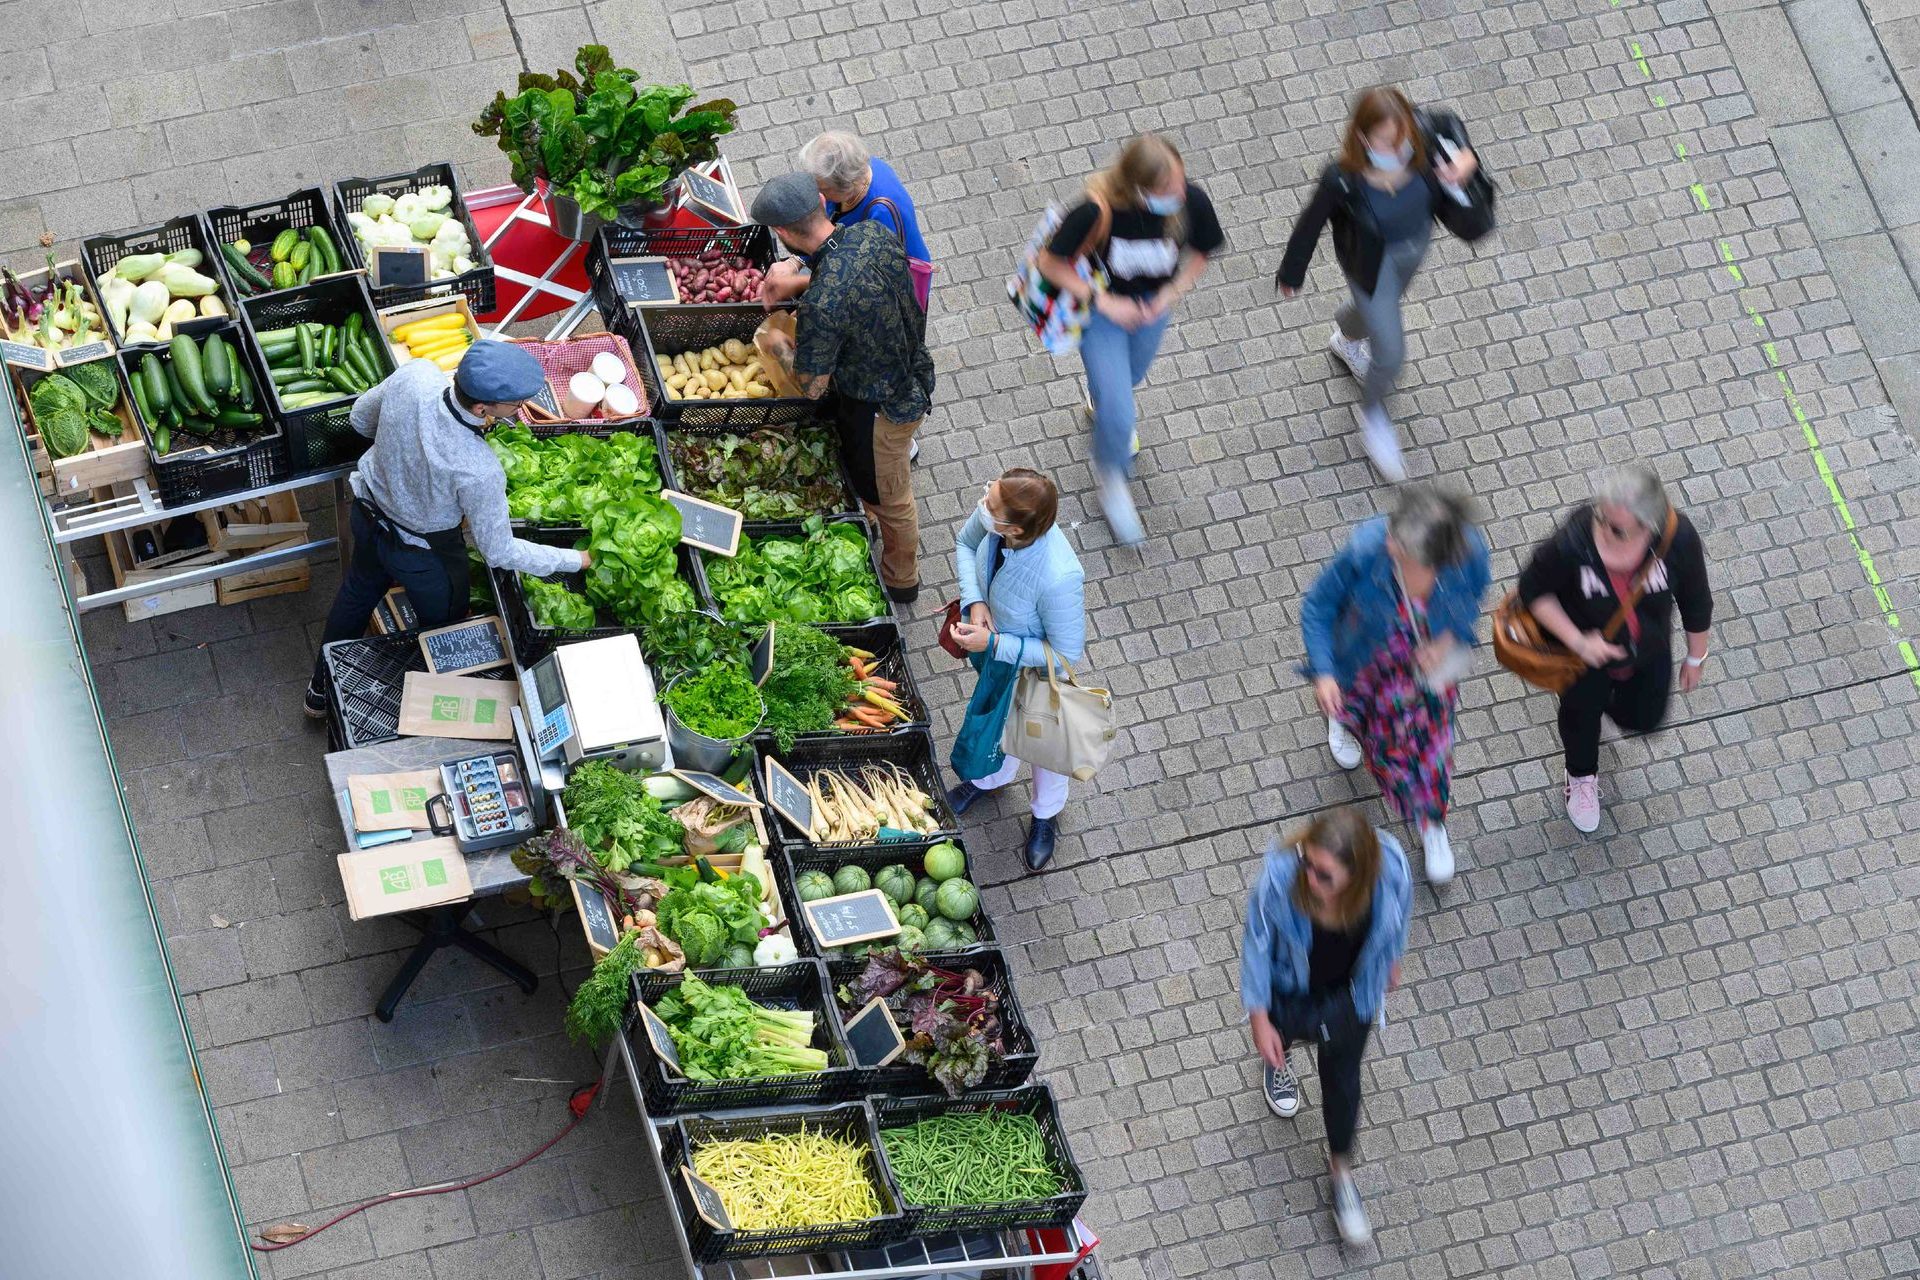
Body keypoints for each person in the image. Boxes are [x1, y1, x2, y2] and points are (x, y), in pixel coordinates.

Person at [302, 342, 589, 718]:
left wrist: (400, 452)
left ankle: (319, 693)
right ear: (482, 409)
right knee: (444, 624)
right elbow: (498, 552)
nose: (518, 410)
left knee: (357, 592)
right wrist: (575, 559)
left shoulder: (416, 375)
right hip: (422, 555)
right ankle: (425, 706)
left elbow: (360, 419)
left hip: (368, 515)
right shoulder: (478, 467)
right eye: (514, 405)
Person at [1275, 86, 1481, 481]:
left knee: (1373, 316)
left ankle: (1346, 338)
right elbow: (1311, 222)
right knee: (1391, 353)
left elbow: (1449, 122)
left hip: (1412, 251)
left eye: (1403, 137)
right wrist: (1292, 271)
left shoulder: (1422, 137)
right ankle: (1373, 416)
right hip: (1369, 268)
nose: (1400, 146)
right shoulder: (1343, 179)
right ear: (1364, 138)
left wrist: (1467, 157)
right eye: (1388, 141)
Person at [752, 172, 934, 603]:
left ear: (781, 233)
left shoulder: (822, 304)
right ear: (820, 201)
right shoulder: (872, 233)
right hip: (910, 365)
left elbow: (813, 388)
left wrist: (779, 347)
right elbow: (846, 279)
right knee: (875, 483)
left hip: (883, 409)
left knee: (891, 496)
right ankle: (870, 516)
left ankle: (901, 577)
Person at [1034, 133, 1223, 546]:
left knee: (1131, 376)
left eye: (1180, 181)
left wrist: (1169, 295)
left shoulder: (1190, 201)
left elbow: (1204, 250)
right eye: (1167, 188)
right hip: (1103, 314)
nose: (1180, 192)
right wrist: (1103, 302)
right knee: (1120, 409)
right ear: (1138, 187)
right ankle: (1112, 475)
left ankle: (1103, 403)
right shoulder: (1096, 210)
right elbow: (1048, 262)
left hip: (1150, 311)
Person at [1299, 486, 1489, 884]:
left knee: (1431, 749)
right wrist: (1325, 672)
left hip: (1423, 680)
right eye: (1394, 537)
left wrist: (1449, 637)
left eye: (1402, 549)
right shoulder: (1367, 550)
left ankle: (1430, 820)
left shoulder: (1468, 554)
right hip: (1365, 664)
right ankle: (1345, 723)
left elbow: (1473, 596)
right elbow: (1319, 606)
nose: (1390, 545)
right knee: (1353, 711)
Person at [1240, 807, 1411, 1247]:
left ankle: (1341, 1174)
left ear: (1356, 878)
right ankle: (1279, 1058)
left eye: (1324, 875)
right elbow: (1256, 943)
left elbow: (1400, 908)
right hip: (1290, 987)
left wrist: (1391, 957)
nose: (1310, 879)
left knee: (1343, 1081)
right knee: (1280, 1033)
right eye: (1308, 864)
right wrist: (1259, 1018)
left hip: (1350, 998)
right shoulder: (1282, 875)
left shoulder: (1388, 869)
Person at [1515, 465, 1713, 833]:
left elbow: (1697, 599)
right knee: (1580, 716)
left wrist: (1695, 656)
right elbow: (1532, 589)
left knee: (1646, 719)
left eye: (1618, 529)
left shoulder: (1677, 539)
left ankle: (1606, 708)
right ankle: (1580, 776)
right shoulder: (1576, 540)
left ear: (1649, 528)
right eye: (1602, 518)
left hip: (1646, 655)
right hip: (1582, 659)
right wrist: (1577, 641)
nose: (1604, 531)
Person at [943, 468, 1086, 871]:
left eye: (991, 506)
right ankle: (991, 779)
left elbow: (1064, 654)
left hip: (1034, 672)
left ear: (1017, 529)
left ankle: (1045, 815)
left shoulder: (1060, 577)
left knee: (1043, 745)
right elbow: (965, 543)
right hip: (997, 655)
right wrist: (975, 602)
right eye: (989, 496)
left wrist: (995, 644)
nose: (983, 506)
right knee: (1000, 726)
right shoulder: (999, 516)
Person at [798, 130, 931, 278]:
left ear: (846, 186)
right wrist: (797, 260)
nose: (818, 194)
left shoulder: (882, 213)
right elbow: (825, 225)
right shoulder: (855, 166)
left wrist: (798, 282)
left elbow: (868, 276)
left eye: (823, 189)